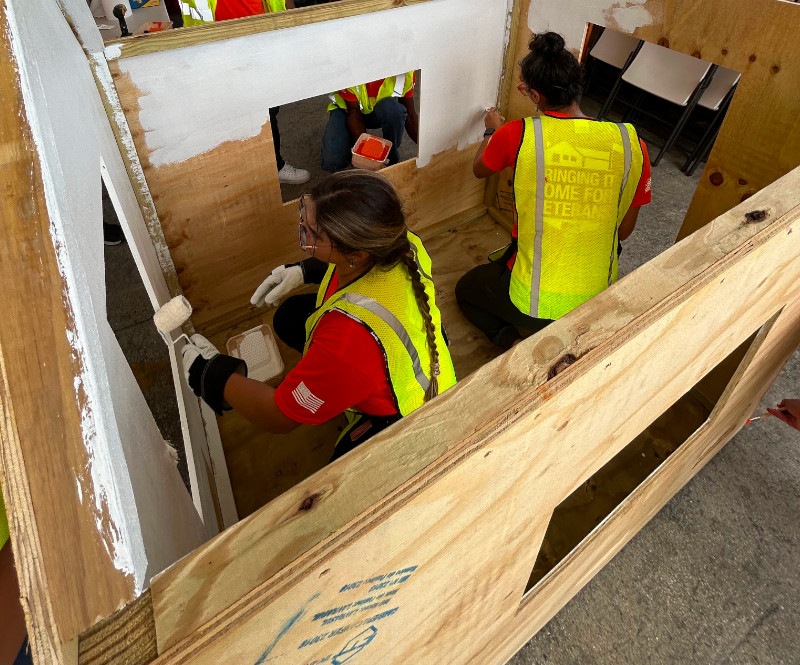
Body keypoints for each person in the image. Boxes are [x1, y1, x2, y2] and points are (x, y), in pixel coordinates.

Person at [181, 171, 456, 459]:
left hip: (406, 410)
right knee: (289, 315)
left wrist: (210, 374)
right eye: (305, 222)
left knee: (343, 465)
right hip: (406, 351)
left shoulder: (347, 346)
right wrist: (304, 271)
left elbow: (279, 416)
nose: (303, 232)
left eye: (313, 233)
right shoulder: (398, 241)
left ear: (356, 253)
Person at [456, 32, 652, 349]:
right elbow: (625, 232)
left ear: (534, 94)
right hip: (596, 296)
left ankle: (518, 340)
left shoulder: (518, 133)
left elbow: (480, 169)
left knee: (466, 290)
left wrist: (491, 130)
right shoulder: (631, 144)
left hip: (535, 303)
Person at [212, 0, 311, 185]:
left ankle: (274, 166)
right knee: (233, 112)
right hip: (219, 46)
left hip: (260, 42)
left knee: (267, 108)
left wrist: (294, 27)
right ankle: (246, 173)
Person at [321, 73, 419, 173]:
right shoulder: (350, 71)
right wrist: (369, 156)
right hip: (347, 111)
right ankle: (352, 142)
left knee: (393, 110)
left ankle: (389, 155)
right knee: (332, 161)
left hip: (379, 112)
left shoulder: (405, 71)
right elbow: (354, 113)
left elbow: (410, 115)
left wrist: (427, 146)